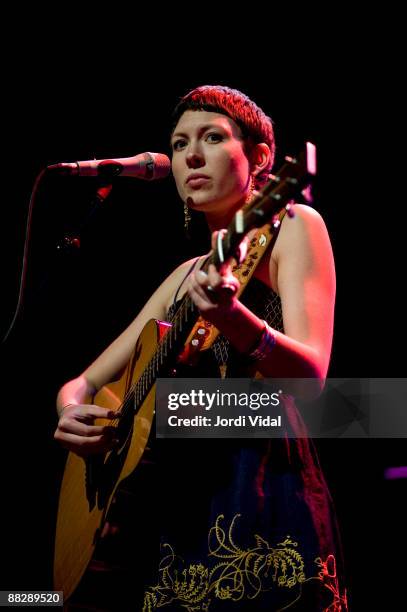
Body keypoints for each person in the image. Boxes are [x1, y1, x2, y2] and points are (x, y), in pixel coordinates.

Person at [54, 85, 348, 610]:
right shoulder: (184, 277)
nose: (189, 155)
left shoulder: (292, 225)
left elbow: (313, 378)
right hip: (175, 510)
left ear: (259, 159)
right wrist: (73, 411)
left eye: (212, 137)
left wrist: (233, 319)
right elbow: (83, 382)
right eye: (178, 143)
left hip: (258, 490)